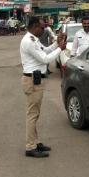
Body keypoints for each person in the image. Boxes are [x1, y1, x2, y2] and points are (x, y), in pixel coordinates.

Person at [20, 16, 66, 158]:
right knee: (32, 114)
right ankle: (30, 146)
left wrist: (56, 44)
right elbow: (45, 59)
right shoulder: (29, 41)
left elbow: (45, 50)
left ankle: (35, 141)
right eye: (41, 27)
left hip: (35, 79)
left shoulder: (33, 39)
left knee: (35, 113)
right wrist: (60, 49)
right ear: (34, 26)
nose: (44, 29)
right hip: (32, 80)